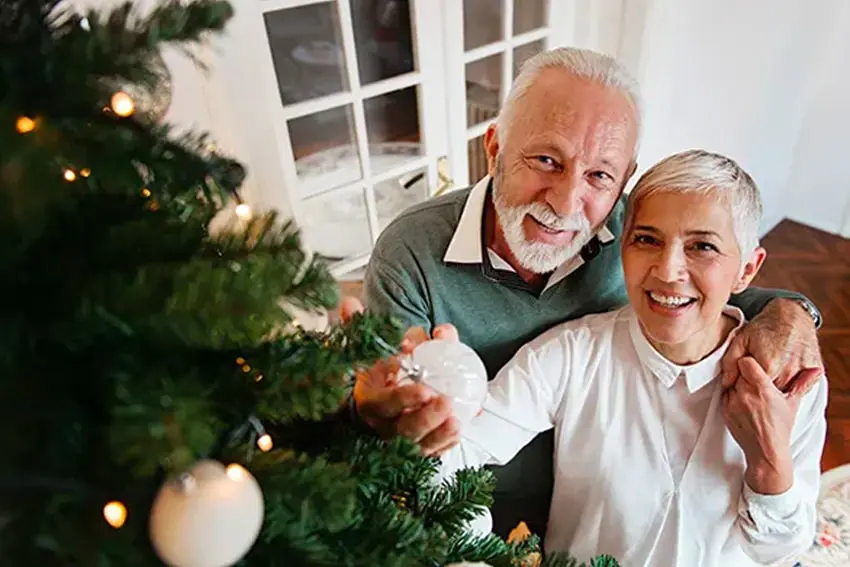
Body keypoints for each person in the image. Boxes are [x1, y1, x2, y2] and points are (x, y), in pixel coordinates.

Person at [344, 47, 824, 540]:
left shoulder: (639, 231)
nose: (567, 200)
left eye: (600, 175)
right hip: (482, 493)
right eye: (547, 160)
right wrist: (368, 407)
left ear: (622, 185)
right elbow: (400, 418)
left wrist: (792, 312)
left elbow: (705, 286)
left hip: (596, 490)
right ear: (495, 150)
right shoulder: (411, 252)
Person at [435, 149, 827, 566]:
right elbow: (454, 447)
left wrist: (768, 464)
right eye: (647, 240)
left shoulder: (788, 379)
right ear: (623, 248)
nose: (667, 269)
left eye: (702, 246)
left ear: (747, 270)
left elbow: (781, 552)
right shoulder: (571, 355)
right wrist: (476, 554)